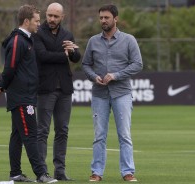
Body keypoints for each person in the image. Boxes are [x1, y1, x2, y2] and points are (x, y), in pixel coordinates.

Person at [0, 4, 57, 183]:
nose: (39, 24)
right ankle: (41, 174)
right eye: (36, 21)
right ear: (26, 21)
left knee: (18, 135)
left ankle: (15, 173)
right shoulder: (18, 41)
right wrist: (2, 87)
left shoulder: (27, 40)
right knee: (30, 134)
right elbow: (10, 68)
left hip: (26, 95)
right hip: (21, 97)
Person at [82, 4, 143, 182]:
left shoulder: (129, 40)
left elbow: (137, 64)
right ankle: (97, 172)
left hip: (122, 93)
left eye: (106, 18)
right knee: (99, 136)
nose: (103, 21)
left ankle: (127, 172)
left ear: (115, 19)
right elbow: (85, 64)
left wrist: (115, 75)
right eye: (101, 18)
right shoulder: (93, 41)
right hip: (99, 94)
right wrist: (94, 77)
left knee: (124, 135)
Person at [33, 2, 81, 181]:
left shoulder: (67, 34)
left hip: (65, 89)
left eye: (55, 16)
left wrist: (73, 51)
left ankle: (59, 171)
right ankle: (42, 171)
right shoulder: (38, 32)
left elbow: (75, 57)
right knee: (42, 131)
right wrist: (63, 55)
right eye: (49, 15)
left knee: (63, 130)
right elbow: (42, 56)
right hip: (45, 88)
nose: (51, 19)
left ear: (62, 17)